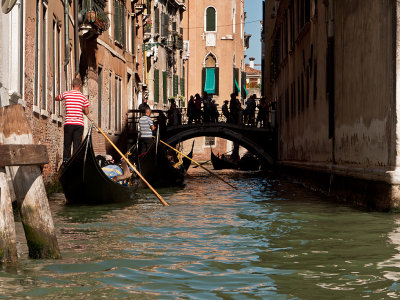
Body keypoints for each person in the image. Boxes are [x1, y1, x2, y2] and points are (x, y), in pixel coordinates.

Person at [56, 78, 89, 162]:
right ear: (80, 85)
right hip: (79, 124)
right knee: (77, 145)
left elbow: (57, 98)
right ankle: (75, 162)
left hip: (69, 123)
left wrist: (59, 98)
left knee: (67, 144)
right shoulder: (83, 97)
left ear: (72, 85)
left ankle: (66, 161)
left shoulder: (66, 94)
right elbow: (86, 112)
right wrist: (80, 108)